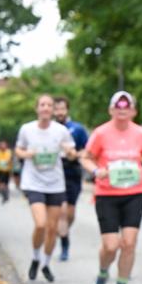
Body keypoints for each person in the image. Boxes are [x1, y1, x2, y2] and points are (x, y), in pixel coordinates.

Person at [80, 91, 142, 284]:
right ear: (111, 110)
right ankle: (103, 274)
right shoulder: (101, 133)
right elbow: (86, 158)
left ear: (133, 111)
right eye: (117, 106)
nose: (122, 110)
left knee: (129, 243)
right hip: (107, 194)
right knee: (111, 246)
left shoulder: (141, 133)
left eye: (127, 106)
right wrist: (96, 171)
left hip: (134, 193)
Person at [14, 94, 77, 283]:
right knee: (40, 224)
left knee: (52, 229)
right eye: (42, 105)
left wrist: (69, 152)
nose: (46, 108)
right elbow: (18, 149)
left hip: (55, 184)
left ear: (52, 109)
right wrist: (27, 154)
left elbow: (73, 154)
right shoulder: (27, 129)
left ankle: (46, 263)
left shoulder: (61, 131)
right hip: (33, 182)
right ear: (37, 108)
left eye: (49, 105)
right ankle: (35, 257)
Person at [53, 96, 90, 261]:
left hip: (72, 173)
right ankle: (64, 244)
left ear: (67, 110)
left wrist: (75, 155)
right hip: (54, 175)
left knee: (70, 214)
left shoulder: (77, 129)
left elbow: (88, 151)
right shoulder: (48, 128)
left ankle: (63, 233)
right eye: (57, 109)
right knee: (61, 213)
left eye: (62, 108)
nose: (59, 112)